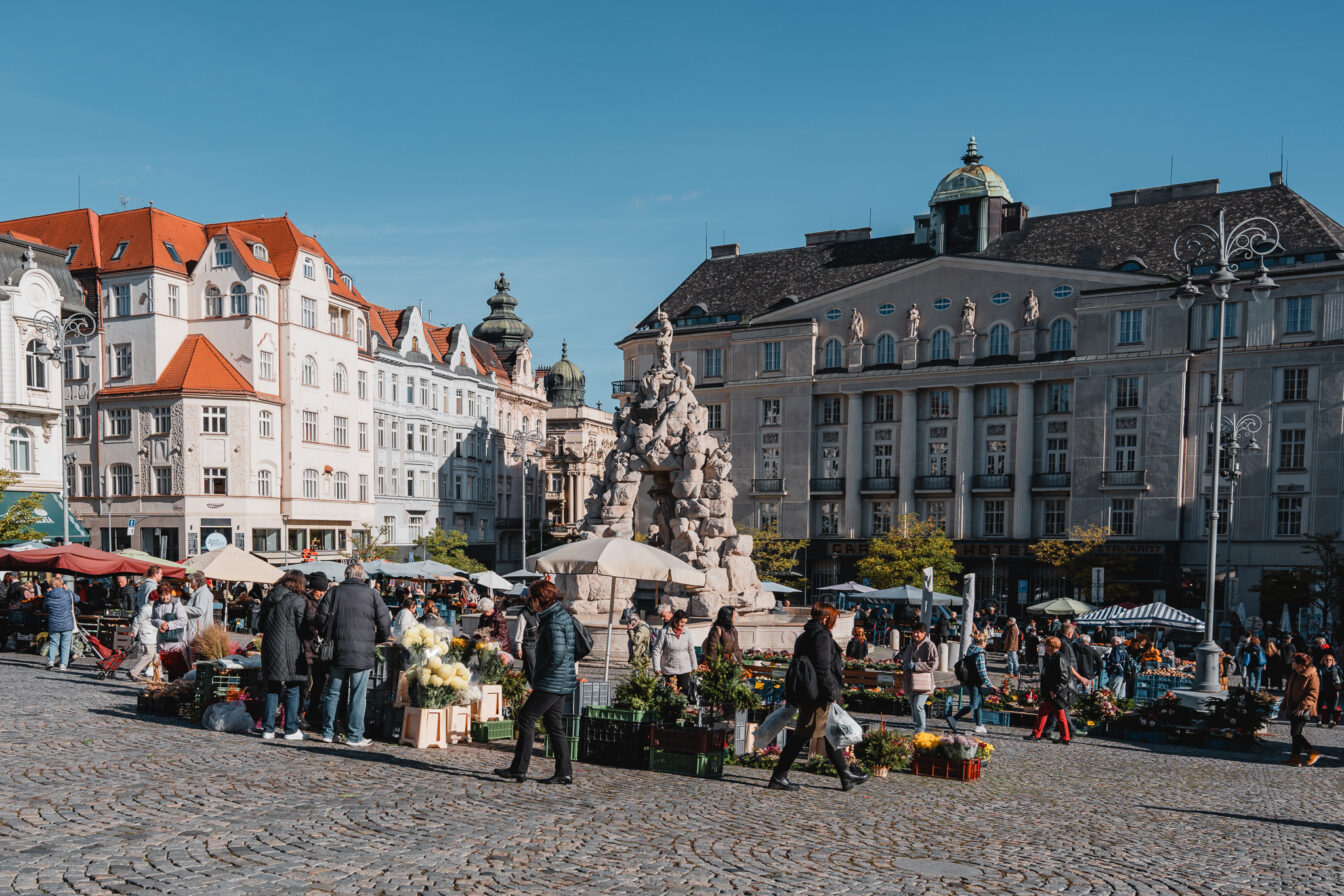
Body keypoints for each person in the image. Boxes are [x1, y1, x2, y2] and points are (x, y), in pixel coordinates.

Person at [767, 604, 869, 792]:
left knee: (828, 733)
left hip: (809, 691)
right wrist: (831, 692)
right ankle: (779, 776)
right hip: (817, 694)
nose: (834, 623)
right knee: (802, 736)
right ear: (825, 619)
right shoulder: (821, 636)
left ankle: (845, 776)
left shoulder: (806, 635)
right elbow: (823, 668)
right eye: (833, 619)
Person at [495, 579, 576, 784]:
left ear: (540, 600)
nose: (529, 602)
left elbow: (557, 655)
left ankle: (519, 769)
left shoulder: (554, 620)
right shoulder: (558, 615)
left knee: (526, 718)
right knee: (553, 724)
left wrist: (540, 675)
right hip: (561, 679)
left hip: (552, 680)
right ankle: (564, 772)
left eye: (532, 598)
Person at [314, 563, 391, 747]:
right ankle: (354, 735)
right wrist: (376, 640)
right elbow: (384, 622)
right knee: (357, 695)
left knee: (333, 693)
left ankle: (328, 732)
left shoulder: (333, 593)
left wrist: (328, 635)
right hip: (362, 653)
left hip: (337, 651)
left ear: (346, 575)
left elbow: (320, 618)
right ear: (363, 577)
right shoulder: (372, 595)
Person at [258, 571, 310, 741]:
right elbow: (303, 628)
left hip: (270, 647)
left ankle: (268, 729)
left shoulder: (269, 598)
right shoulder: (298, 600)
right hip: (290, 649)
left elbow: (260, 624)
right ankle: (291, 729)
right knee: (293, 688)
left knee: (272, 687)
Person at [1025, 637, 1073, 745]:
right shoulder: (1052, 657)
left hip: (1055, 693)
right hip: (1051, 692)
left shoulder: (1059, 658)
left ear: (1051, 646)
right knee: (1044, 712)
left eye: (1046, 645)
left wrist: (1055, 690)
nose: (1044, 647)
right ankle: (1037, 734)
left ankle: (1064, 738)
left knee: (1058, 715)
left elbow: (1064, 677)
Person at [897, 621, 938, 732]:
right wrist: (904, 666)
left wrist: (916, 666)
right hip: (910, 681)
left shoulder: (929, 645)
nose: (915, 635)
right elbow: (905, 661)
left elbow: (933, 664)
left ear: (924, 633)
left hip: (923, 682)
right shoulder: (911, 646)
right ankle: (916, 725)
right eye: (914, 632)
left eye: (918, 633)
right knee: (912, 704)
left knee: (919, 705)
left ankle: (921, 728)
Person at [302, 572, 330, 730]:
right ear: (313, 588)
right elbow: (304, 621)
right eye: (320, 590)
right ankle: (301, 714)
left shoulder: (322, 602)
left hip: (319, 651)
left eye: (324, 590)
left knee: (319, 682)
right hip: (307, 648)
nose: (322, 593)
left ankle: (312, 713)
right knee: (305, 683)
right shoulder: (305, 601)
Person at [1282, 652, 1319, 766]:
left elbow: (1313, 693)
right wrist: (1283, 706)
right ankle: (1295, 758)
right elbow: (1289, 692)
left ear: (1300, 664)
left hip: (1303, 708)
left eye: (1293, 661)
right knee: (1295, 733)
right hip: (1293, 706)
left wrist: (1303, 705)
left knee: (1295, 732)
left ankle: (1312, 752)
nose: (1291, 663)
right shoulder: (1294, 674)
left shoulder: (1311, 675)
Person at [950, 631, 990, 735]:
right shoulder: (980, 653)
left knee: (980, 703)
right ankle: (954, 718)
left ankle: (979, 725)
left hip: (968, 681)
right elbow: (982, 672)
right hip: (975, 682)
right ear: (983, 642)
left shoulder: (970, 650)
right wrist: (990, 685)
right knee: (973, 705)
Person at [654, 610, 698, 694]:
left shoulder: (687, 631)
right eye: (682, 622)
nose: (683, 625)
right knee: (670, 695)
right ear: (675, 620)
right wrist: (657, 668)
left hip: (685, 669)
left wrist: (694, 666)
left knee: (684, 695)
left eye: (685, 622)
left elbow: (691, 649)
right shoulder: (664, 632)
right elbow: (656, 650)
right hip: (669, 669)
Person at [43, 574, 78, 671]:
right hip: (67, 623)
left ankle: (50, 661)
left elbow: (45, 608)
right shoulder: (67, 594)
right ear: (62, 584)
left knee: (54, 643)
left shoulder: (48, 596)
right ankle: (63, 664)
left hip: (54, 623)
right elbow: (77, 599)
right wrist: (68, 590)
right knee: (65, 645)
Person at [127, 589, 161, 681]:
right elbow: (137, 621)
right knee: (149, 654)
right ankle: (133, 672)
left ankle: (158, 676)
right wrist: (135, 634)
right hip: (147, 635)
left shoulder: (155, 607)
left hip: (153, 635)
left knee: (157, 655)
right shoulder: (146, 608)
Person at [151, 582, 189, 654]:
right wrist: (160, 623)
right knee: (162, 661)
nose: (165, 598)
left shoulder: (175, 603)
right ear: (159, 595)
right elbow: (153, 620)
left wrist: (167, 625)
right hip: (162, 639)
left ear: (170, 593)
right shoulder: (156, 604)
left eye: (167, 595)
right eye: (162, 595)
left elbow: (183, 620)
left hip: (176, 640)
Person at [182, 572, 215, 652]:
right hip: (198, 627)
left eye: (191, 581)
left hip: (197, 629)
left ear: (196, 582)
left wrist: (182, 608)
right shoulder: (202, 592)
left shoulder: (202, 593)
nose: (190, 583)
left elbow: (200, 610)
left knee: (195, 653)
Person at [1317, 652, 1340, 729]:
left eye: (1330, 660)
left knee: (1331, 706)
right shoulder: (1319, 668)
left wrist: (1338, 690)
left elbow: (1340, 679)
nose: (1328, 661)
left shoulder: (1336, 668)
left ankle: (1330, 721)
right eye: (1327, 660)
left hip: (1332, 690)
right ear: (1323, 660)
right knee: (1319, 705)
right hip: (1322, 689)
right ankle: (1319, 721)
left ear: (1333, 660)